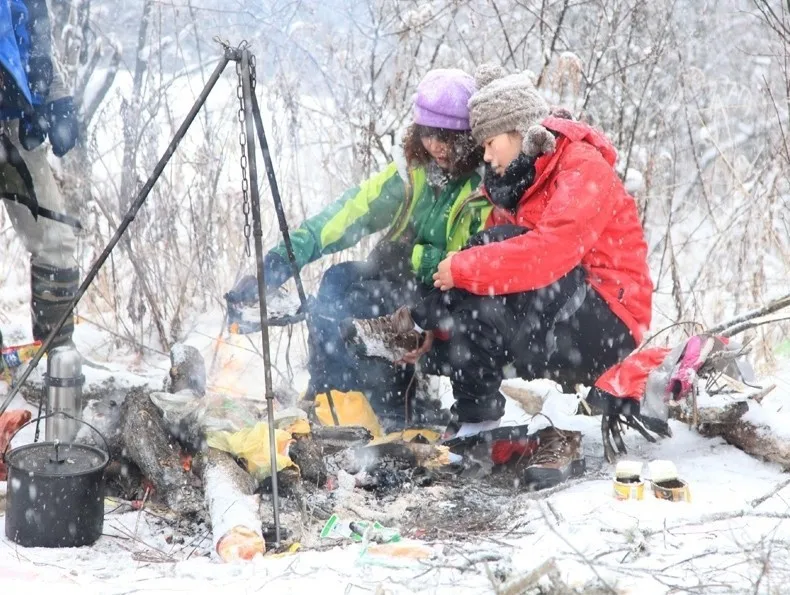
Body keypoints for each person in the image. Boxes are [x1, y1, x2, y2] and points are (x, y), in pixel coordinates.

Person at [345, 63, 653, 486]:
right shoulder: (515, 181)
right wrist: (443, 326)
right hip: (557, 316)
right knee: (469, 297)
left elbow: (550, 254)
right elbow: (491, 276)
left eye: (489, 143)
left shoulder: (582, 169)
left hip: (607, 323)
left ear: (517, 132)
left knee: (487, 252)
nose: (485, 156)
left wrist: (460, 270)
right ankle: (477, 423)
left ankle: (409, 321)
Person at [225, 68, 492, 430]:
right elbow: (347, 215)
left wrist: (413, 257)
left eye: (449, 138)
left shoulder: (481, 189)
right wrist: (279, 262)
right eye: (429, 135)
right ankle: (330, 393)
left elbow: (469, 265)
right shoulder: (412, 175)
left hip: (440, 297)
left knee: (373, 303)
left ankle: (396, 405)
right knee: (337, 281)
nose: (437, 147)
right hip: (396, 276)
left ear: (469, 138)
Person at [0, 0, 80, 349]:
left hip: (14, 120)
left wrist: (55, 95)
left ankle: (55, 360)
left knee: (56, 240)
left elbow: (35, 32)